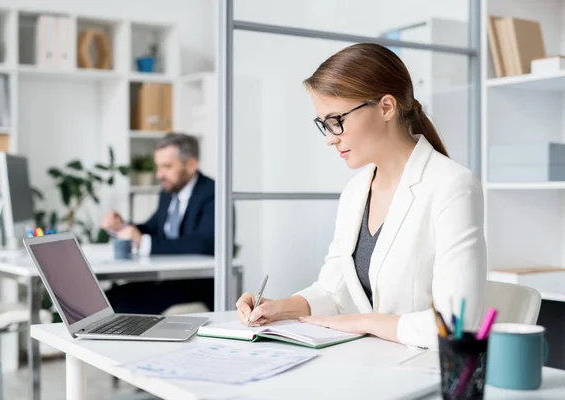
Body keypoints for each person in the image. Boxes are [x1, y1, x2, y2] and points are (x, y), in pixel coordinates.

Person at [235, 43, 487, 349]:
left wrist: (363, 322)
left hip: (426, 369)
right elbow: (332, 291)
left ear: (386, 108)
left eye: (336, 121)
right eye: (323, 125)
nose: (330, 139)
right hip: (374, 362)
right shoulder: (356, 191)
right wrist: (277, 308)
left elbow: (456, 324)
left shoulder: (452, 185)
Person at [102, 133, 215, 314]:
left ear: (191, 165)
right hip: (163, 280)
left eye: (167, 166)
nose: (159, 174)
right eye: (158, 167)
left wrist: (144, 242)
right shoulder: (169, 192)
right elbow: (152, 227)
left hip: (194, 287)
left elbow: (205, 243)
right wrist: (123, 227)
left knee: (117, 306)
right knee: (105, 298)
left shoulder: (213, 194)